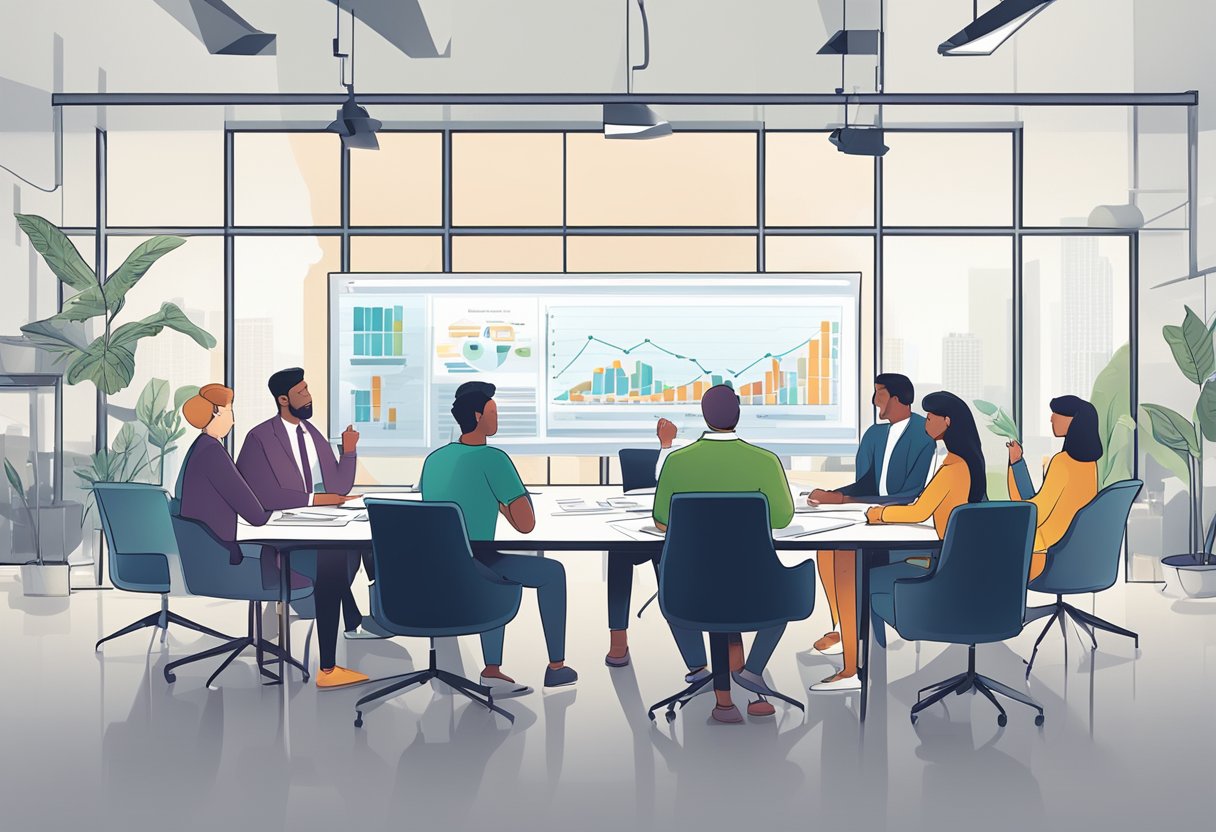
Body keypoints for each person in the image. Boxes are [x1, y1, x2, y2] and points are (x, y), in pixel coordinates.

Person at [177, 384, 367, 689]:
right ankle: (329, 669)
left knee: (332, 557)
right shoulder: (216, 454)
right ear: (215, 413)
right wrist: (297, 502)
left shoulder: (201, 450)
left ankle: (353, 621)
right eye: (229, 412)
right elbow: (256, 512)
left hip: (212, 554)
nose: (233, 419)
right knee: (330, 562)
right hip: (231, 563)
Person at [420, 381, 578, 695]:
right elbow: (526, 524)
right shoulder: (493, 458)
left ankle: (491, 667)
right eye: (493, 412)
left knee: (496, 566)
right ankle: (553, 668)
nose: (497, 418)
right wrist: (505, 501)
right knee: (551, 572)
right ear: (477, 415)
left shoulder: (434, 460)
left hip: (437, 564)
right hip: (477, 564)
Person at [652, 384, 796, 723]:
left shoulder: (677, 461)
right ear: (739, 415)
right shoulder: (765, 461)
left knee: (671, 577)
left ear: (704, 416)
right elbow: (784, 517)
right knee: (787, 585)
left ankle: (700, 669)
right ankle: (752, 671)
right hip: (755, 587)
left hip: (690, 589)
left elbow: (660, 520)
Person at [804, 373, 936, 691]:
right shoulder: (874, 435)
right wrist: (833, 494)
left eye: (879, 393)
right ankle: (842, 627)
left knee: (847, 557)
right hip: (872, 516)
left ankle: (852, 663)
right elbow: (865, 483)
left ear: (898, 398)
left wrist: (844, 499)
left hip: (906, 525)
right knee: (827, 547)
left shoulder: (925, 433)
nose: (874, 400)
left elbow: (910, 494)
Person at [236, 368, 383, 642]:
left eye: (307, 390)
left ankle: (371, 616)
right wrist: (314, 499)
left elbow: (338, 487)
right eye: (301, 392)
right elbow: (259, 494)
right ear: (283, 399)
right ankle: (352, 623)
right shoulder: (260, 438)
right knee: (335, 556)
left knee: (366, 544)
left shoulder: (312, 434)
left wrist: (349, 451)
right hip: (282, 529)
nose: (308, 397)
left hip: (317, 520)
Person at [862, 390, 987, 648]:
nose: (925, 422)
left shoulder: (953, 469)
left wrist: (879, 514)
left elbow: (919, 512)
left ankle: (872, 651)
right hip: (962, 558)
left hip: (942, 563)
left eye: (930, 418)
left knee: (864, 575)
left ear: (947, 422)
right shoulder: (969, 462)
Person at [603, 416, 692, 670]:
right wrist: (665, 447)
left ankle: (695, 658)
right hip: (648, 525)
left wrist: (666, 446)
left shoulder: (694, 457)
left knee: (669, 562)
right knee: (619, 551)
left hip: (682, 530)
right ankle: (617, 637)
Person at [1007, 395, 1102, 580]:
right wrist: (1017, 464)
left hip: (1046, 555)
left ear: (1073, 421)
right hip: (1076, 554)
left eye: (1057, 414)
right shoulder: (1090, 465)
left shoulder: (1062, 463)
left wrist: (1014, 465)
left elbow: (1035, 512)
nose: (1052, 418)